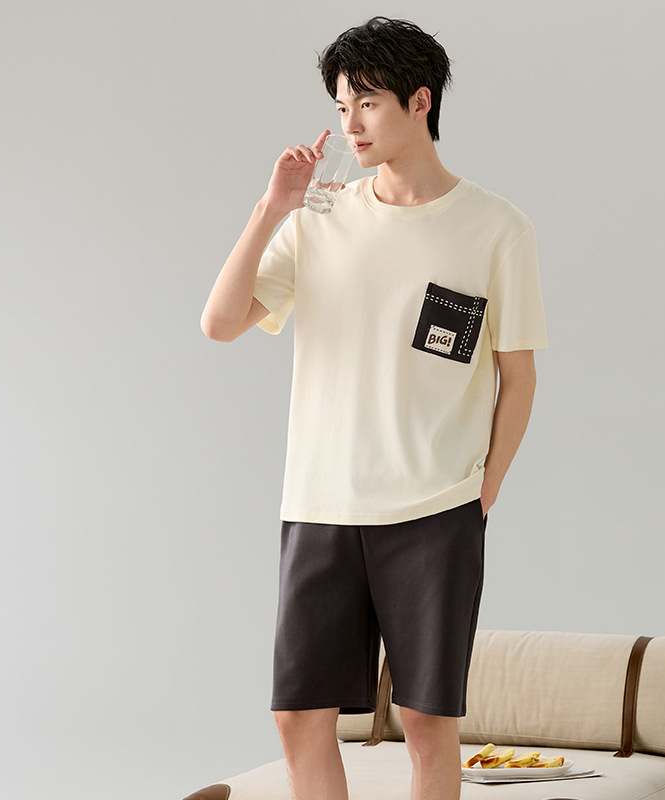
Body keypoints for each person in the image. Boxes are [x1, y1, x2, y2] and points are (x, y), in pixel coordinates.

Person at [200, 16, 548, 800]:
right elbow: (219, 324)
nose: (349, 124)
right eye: (340, 106)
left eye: (367, 103)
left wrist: (484, 489)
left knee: (425, 722)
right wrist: (271, 209)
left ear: (420, 102)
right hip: (319, 503)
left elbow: (518, 376)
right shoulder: (318, 216)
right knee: (299, 717)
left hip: (434, 510)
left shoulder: (498, 230)